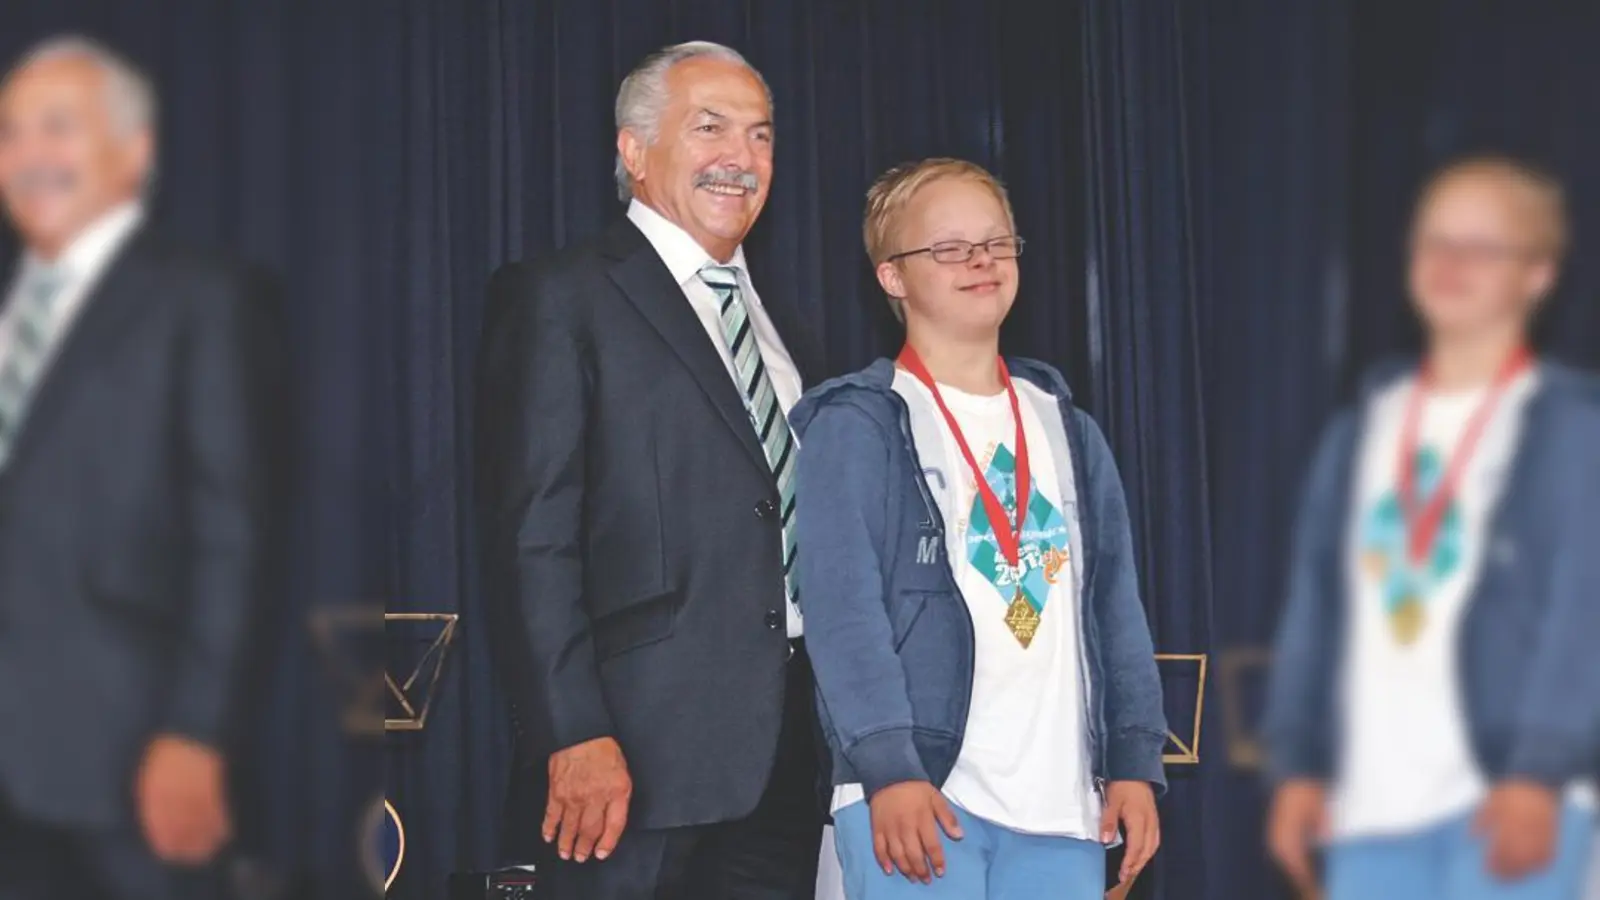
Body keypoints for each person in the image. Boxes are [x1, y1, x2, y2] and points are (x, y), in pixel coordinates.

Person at [475, 40, 825, 900]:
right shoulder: (562, 296)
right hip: (629, 761)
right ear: (634, 152)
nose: (741, 158)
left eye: (761, 135)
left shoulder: (787, 329)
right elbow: (532, 536)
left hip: (787, 761)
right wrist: (573, 733)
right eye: (710, 128)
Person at [789, 158, 1167, 900]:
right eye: (948, 248)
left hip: (1062, 808)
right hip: (923, 797)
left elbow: (1114, 604)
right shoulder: (857, 425)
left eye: (997, 241)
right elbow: (844, 612)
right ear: (892, 277)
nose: (981, 260)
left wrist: (1132, 758)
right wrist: (888, 765)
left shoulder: (1066, 427)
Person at [1263, 155, 1600, 900]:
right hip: (1371, 810)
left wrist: (1538, 772)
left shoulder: (1575, 430)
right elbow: (1316, 609)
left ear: (1538, 275)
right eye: (1434, 242)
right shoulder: (1360, 431)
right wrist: (1298, 765)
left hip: (1505, 806)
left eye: (1483, 248)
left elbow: (1584, 614)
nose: (1451, 264)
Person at [0, 36, 285, 900]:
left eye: (60, 127)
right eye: (10, 131)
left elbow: (232, 533)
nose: (29, 155)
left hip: (126, 759)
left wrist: (195, 732)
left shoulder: (204, 298)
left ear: (134, 152)